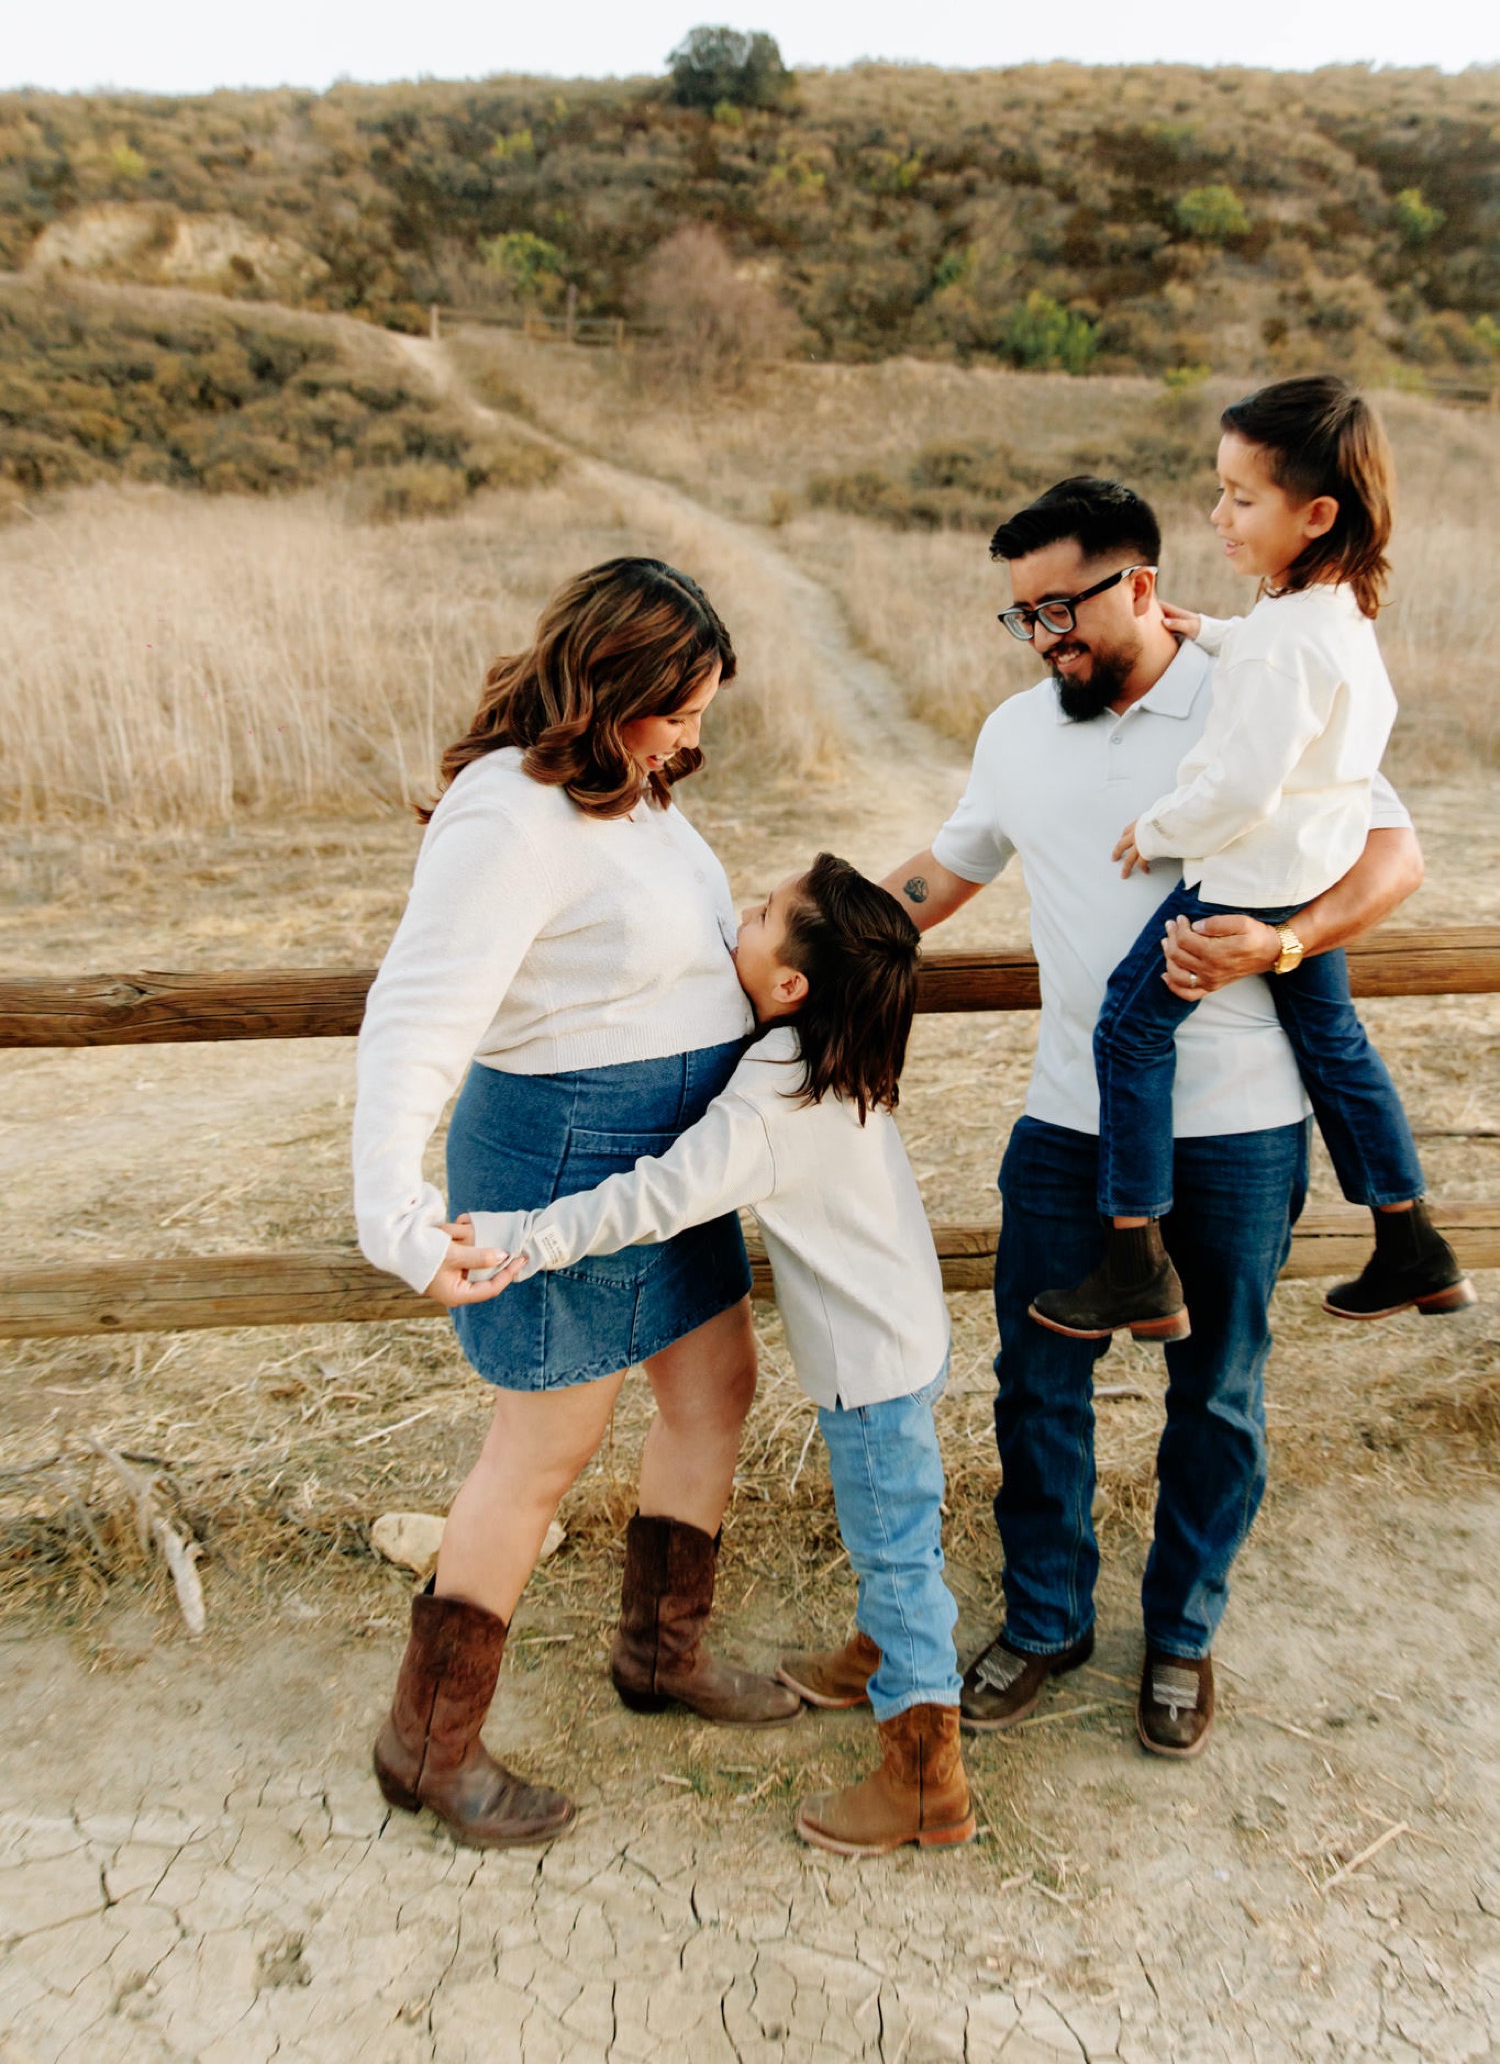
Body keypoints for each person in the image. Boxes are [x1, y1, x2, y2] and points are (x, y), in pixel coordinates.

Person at [882, 477, 1425, 1757]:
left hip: (1238, 1124)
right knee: (1037, 1382)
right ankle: (1049, 1615)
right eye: (1021, 617)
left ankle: (1181, 1636)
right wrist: (781, 937)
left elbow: (1392, 856)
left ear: (1138, 582)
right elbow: (941, 874)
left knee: (1219, 1395)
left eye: (1061, 607)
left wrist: (1286, 939)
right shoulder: (1018, 731)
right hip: (1067, 1121)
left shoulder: (1262, 689)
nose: (1043, 638)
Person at [353, 555, 799, 1855]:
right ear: (607, 686)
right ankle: (424, 1745)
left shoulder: (630, 786)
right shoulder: (508, 814)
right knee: (540, 1452)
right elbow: (420, 1013)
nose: (696, 739)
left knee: (715, 1386)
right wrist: (395, 1209)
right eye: (682, 710)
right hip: (567, 1157)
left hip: (669, 1156)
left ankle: (661, 1654)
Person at [466, 854, 976, 1858]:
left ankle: (926, 1775)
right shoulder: (840, 1045)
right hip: (906, 1335)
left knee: (895, 1546)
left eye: (759, 913)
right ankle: (883, 1653)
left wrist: (528, 1235)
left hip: (869, 1368)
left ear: (792, 985)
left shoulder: (772, 1102)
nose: (737, 918)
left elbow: (653, 1196)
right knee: (900, 1523)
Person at [1033, 379, 1473, 1343]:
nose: (1216, 514)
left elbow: (1240, 788)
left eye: (1241, 497)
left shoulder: (1283, 644)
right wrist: (1218, 634)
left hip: (1244, 879)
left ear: (1315, 514)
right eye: (1219, 488)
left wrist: (1156, 830)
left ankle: (1135, 1260)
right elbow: (1287, 666)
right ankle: (1411, 1238)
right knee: (1335, 1043)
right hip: (1311, 872)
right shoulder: (1329, 611)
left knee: (1127, 1031)